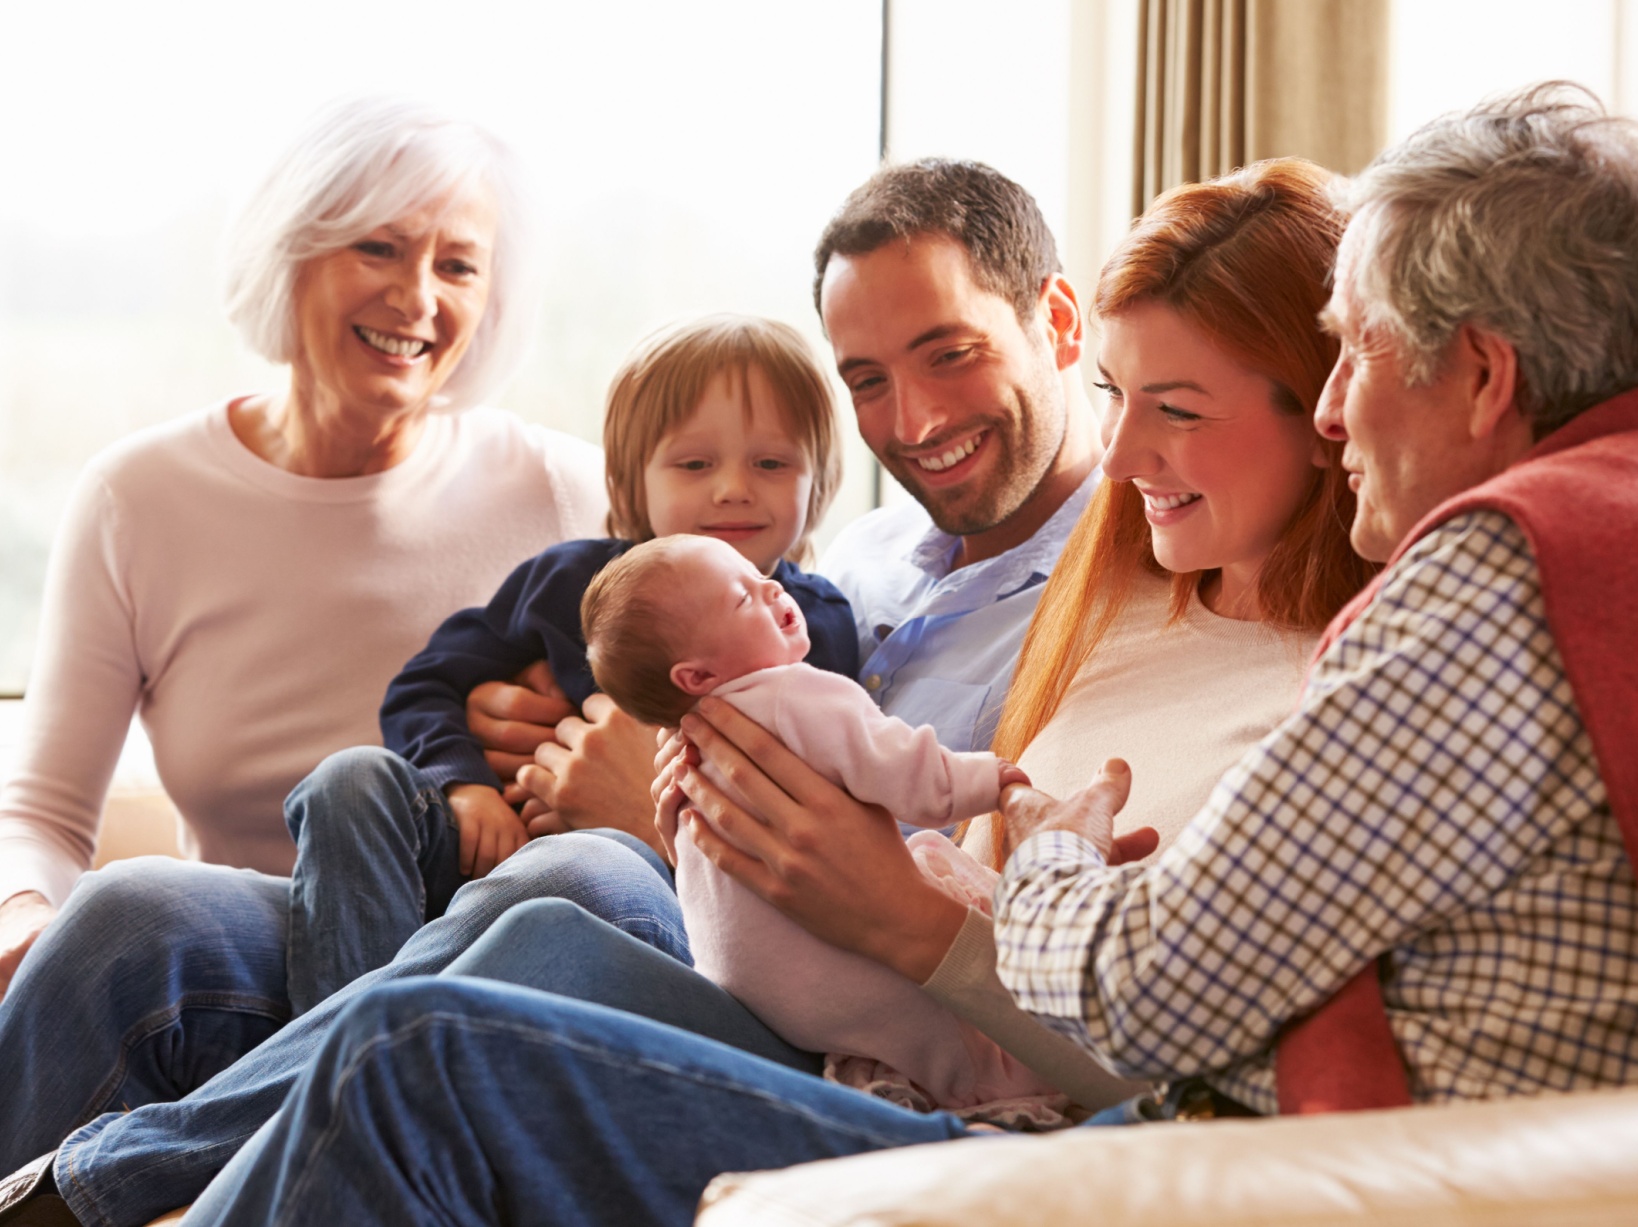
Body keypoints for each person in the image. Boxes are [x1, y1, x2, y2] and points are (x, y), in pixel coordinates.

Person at [173, 156, 1382, 1226]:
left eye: (1176, 410)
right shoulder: (1108, 595)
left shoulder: (1336, 692)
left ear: (1330, 408)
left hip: (993, 1107)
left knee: (454, 1008)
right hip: (851, 1007)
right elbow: (949, 828)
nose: (1119, 458)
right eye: (1121, 403)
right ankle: (94, 1185)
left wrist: (880, 913)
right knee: (194, 923)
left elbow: (1214, 1090)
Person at [0, 159, 1121, 1226]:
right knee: (134, 917)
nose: (914, 421)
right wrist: (486, 734)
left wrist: (654, 813)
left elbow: (962, 888)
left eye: (951, 353)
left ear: (1062, 326)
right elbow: (619, 614)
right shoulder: (867, 560)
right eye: (868, 379)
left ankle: (135, 1173)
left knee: (568, 878)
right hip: (628, 892)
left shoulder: (1120, 592)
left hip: (781, 965)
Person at [0, 98, 607, 1002]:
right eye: (380, 248)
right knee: (131, 914)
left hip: (475, 969)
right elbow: (43, 811)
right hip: (224, 974)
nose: (418, 297)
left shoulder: (568, 492)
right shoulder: (138, 498)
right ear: (293, 250)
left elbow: (678, 737)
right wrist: (23, 918)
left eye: (458, 265)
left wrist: (576, 740)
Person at [281, 316, 859, 1014]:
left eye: (772, 464)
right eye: (695, 464)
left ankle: (359, 1063)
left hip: (633, 894)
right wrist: (465, 788)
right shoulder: (571, 582)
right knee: (348, 778)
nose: (734, 488)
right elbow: (427, 683)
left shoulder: (814, 623)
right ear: (630, 478)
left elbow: (817, 787)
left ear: (819, 479)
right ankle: (337, 1034)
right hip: (479, 846)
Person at [584, 533, 1048, 1114]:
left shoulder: (685, 750)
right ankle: (983, 1090)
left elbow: (695, 866)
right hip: (845, 977)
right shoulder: (797, 696)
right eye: (741, 597)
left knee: (570, 876)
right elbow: (909, 774)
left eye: (760, 576)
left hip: (745, 990)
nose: (773, 586)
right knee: (939, 1025)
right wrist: (993, 781)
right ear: (696, 677)